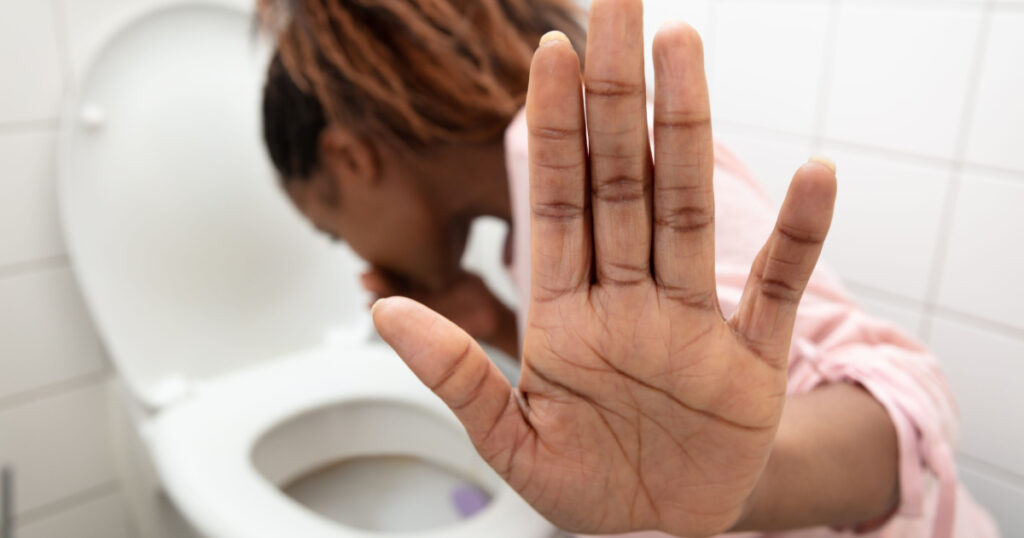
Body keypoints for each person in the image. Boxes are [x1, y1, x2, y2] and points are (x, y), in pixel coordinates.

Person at [258, 0, 997, 536]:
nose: (357, 256)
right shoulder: (530, 230)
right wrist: (497, 327)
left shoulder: (585, 160)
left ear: (350, 160)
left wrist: (739, 484)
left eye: (331, 231)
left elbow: (909, 408)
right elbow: (644, 398)